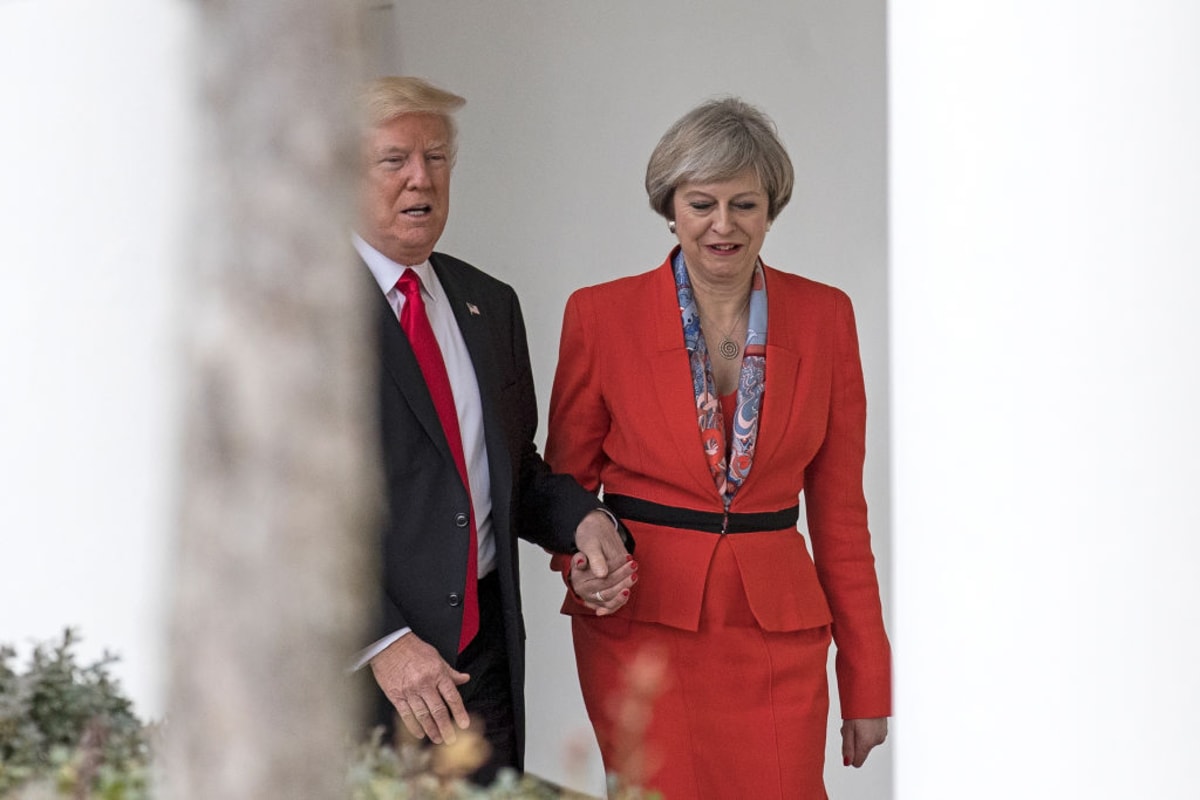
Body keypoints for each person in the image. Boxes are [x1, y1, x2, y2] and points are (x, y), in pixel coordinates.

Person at [545, 97, 891, 798]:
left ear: (772, 211)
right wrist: (577, 568)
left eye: (746, 204)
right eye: (702, 203)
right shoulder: (599, 314)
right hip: (642, 627)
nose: (723, 225)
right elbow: (561, 488)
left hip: (779, 634)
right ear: (669, 208)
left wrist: (866, 679)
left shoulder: (827, 317)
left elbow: (842, 520)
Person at [353, 76, 637, 784]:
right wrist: (382, 641)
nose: (422, 178)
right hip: (370, 679)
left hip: (483, 665)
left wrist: (584, 520)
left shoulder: (488, 303)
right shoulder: (304, 317)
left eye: (438, 158)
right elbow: (285, 514)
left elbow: (514, 467)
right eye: (395, 160)